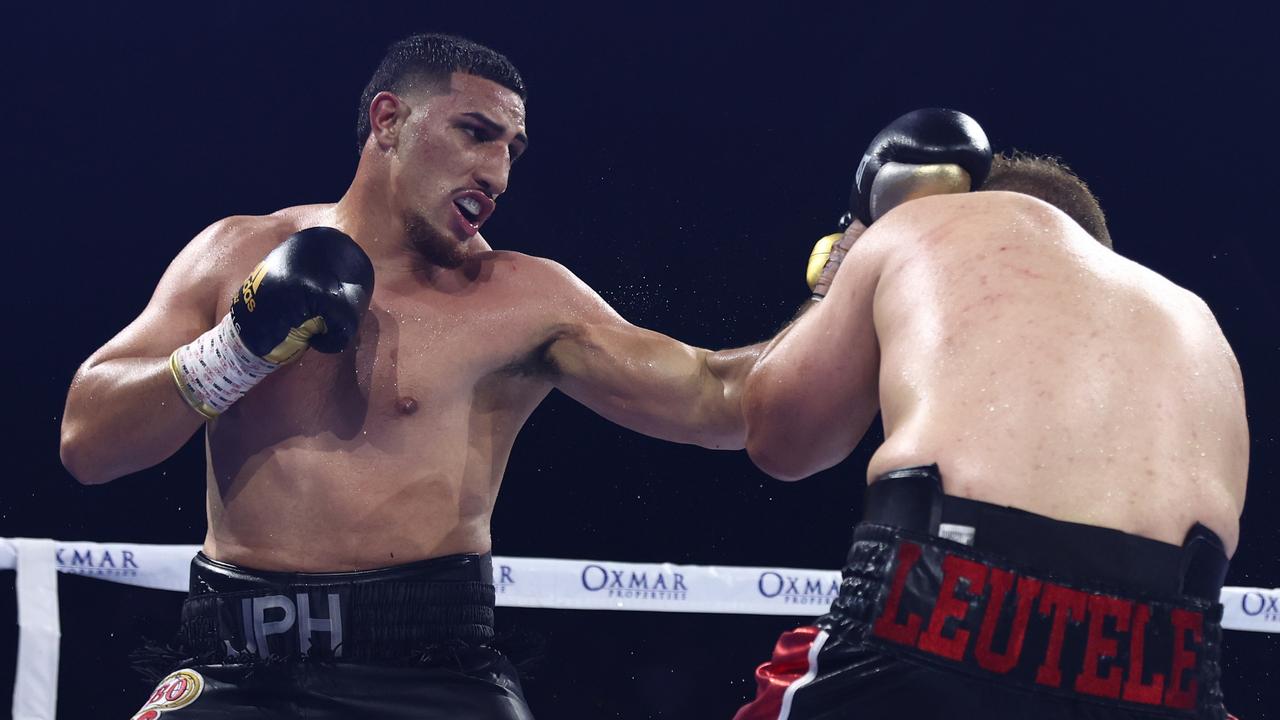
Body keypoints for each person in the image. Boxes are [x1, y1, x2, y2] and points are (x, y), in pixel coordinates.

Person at [59, 33, 762, 719]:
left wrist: (848, 299)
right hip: (236, 665)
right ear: (388, 120)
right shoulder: (236, 252)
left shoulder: (525, 301)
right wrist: (237, 347)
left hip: (433, 674)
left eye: (511, 150)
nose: (497, 173)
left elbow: (719, 400)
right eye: (475, 132)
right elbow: (86, 443)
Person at [734, 109, 1247, 719]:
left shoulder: (930, 235)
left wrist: (844, 267)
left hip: (944, 608)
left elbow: (777, 437)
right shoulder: (1198, 322)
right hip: (1165, 659)